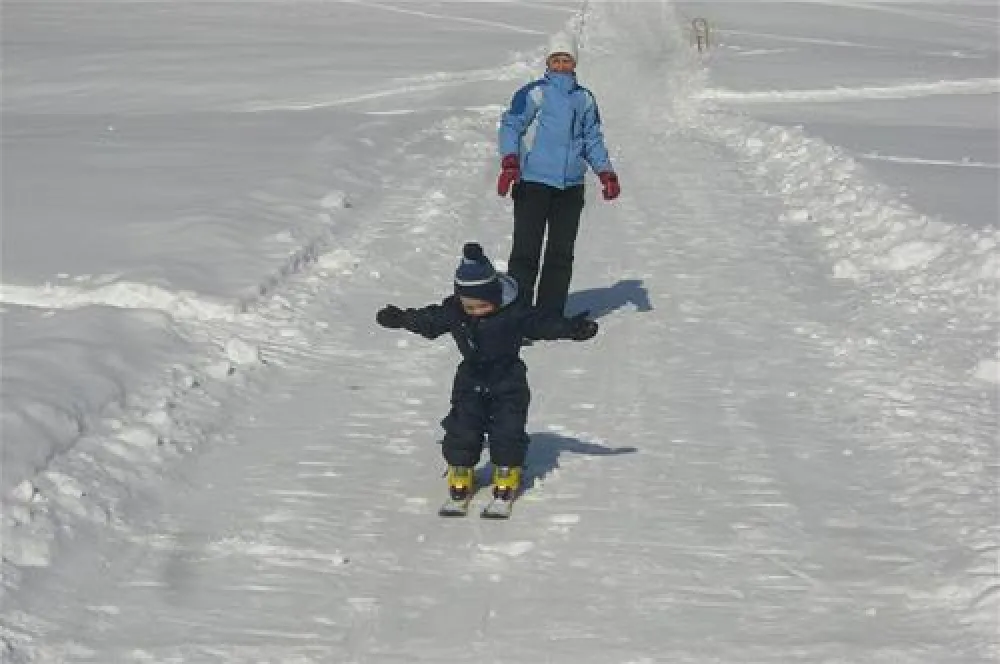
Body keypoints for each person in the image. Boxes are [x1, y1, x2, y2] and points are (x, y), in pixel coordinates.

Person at [375, 242, 598, 505]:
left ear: (494, 296)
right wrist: (401, 318)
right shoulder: (455, 311)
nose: (475, 312)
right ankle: (460, 467)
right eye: (469, 307)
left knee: (508, 427)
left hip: (508, 378)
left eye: (481, 306)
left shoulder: (514, 312)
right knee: (463, 425)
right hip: (470, 377)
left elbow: (541, 323)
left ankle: (507, 469)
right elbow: (430, 320)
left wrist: (571, 328)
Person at [497, 31, 621, 316]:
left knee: (560, 254)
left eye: (567, 59)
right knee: (526, 253)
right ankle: (517, 315)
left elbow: (592, 139)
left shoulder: (585, 99)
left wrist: (606, 172)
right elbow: (511, 126)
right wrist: (510, 161)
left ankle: (549, 314)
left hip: (571, 187)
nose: (562, 65)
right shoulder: (534, 92)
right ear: (548, 62)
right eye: (557, 59)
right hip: (534, 183)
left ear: (574, 63)